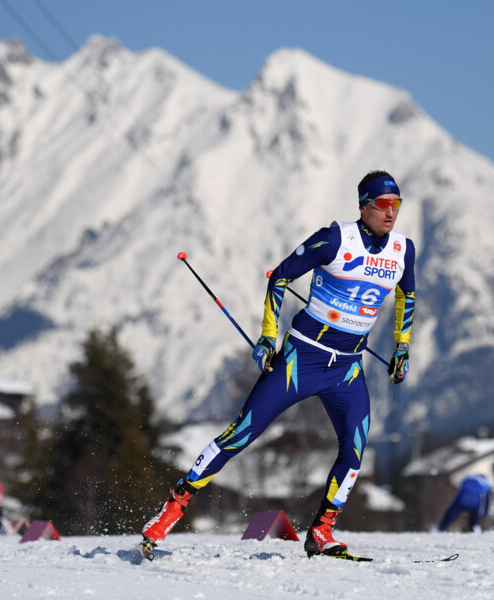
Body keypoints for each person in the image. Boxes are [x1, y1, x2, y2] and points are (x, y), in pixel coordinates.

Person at [141, 170, 417, 559]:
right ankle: (173, 508)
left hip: (347, 368)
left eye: (397, 205)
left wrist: (402, 347)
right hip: (301, 359)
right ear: (364, 206)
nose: (391, 213)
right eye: (383, 205)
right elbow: (280, 277)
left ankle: (321, 532)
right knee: (241, 433)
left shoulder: (403, 250)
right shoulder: (335, 239)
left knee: (355, 450)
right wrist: (268, 336)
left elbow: (407, 294)